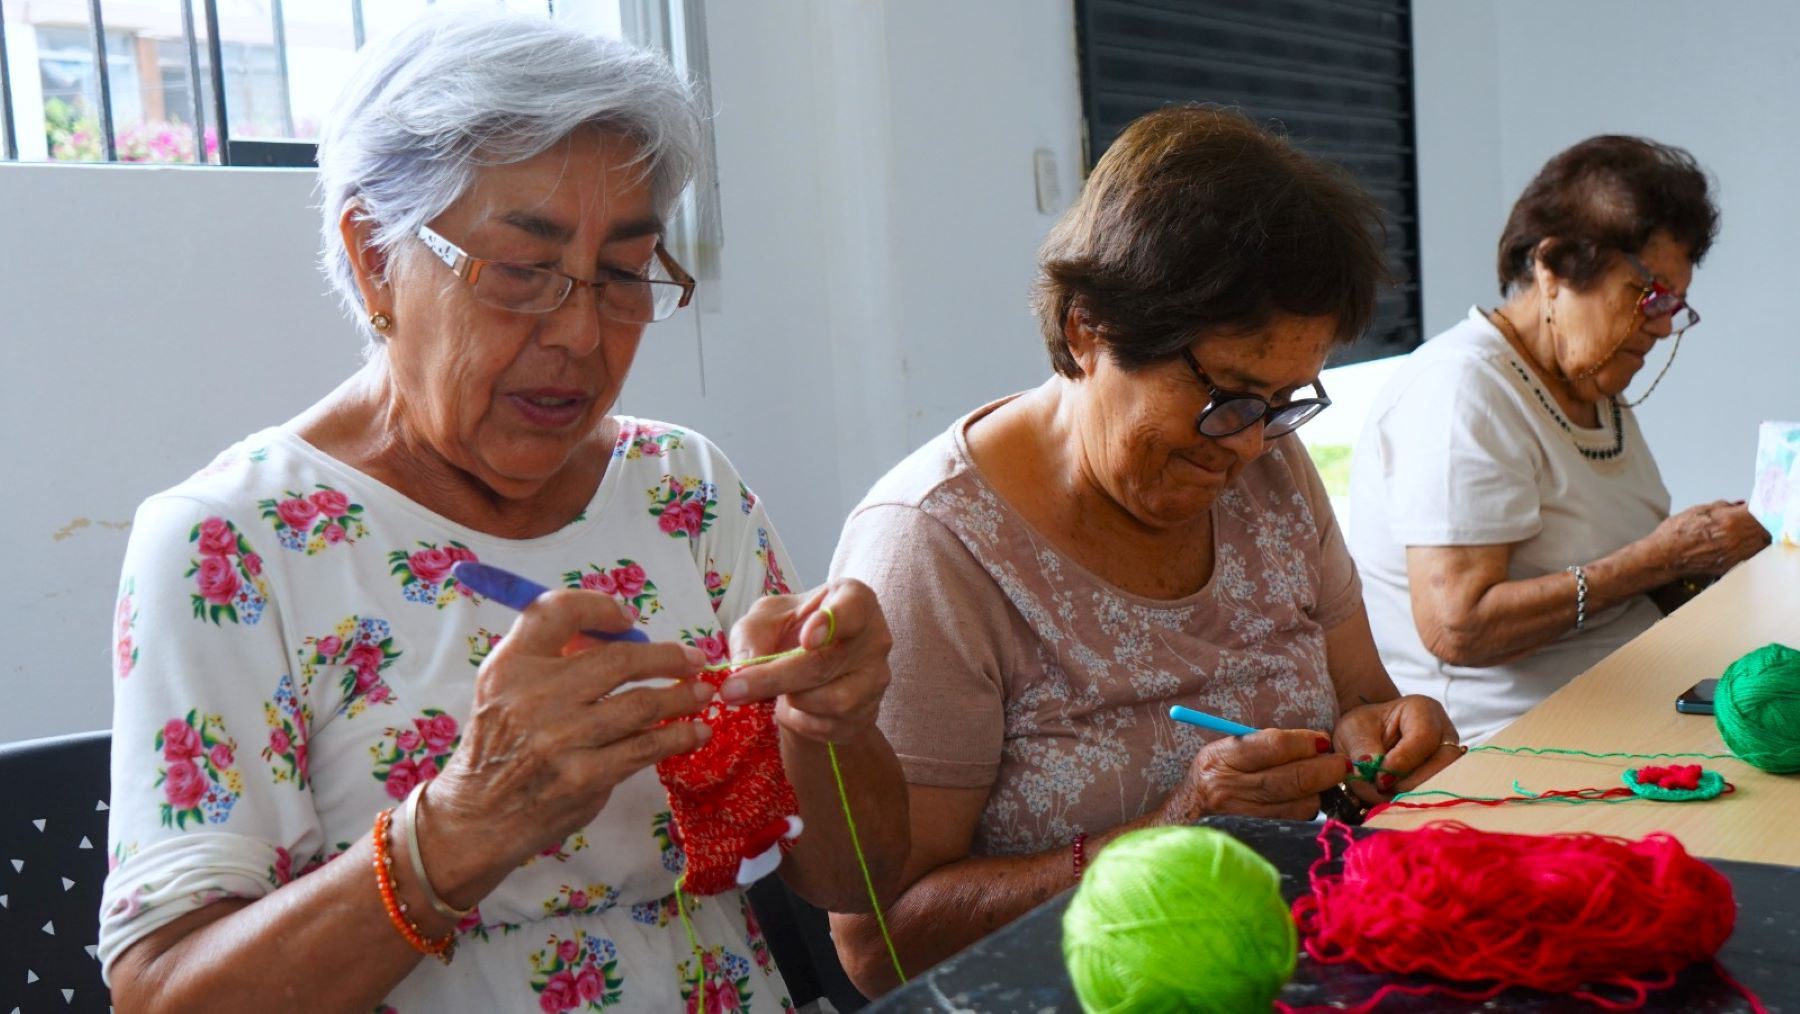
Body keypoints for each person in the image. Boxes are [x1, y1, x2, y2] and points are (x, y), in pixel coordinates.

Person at [98, 13, 907, 1011]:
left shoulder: (683, 490)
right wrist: (460, 826)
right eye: (522, 270)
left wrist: (832, 723)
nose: (577, 331)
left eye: (621, 274)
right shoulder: (232, 545)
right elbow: (164, 995)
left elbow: (847, 882)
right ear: (373, 256)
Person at [825, 106, 1461, 994]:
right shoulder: (935, 550)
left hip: (1299, 960)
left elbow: (1359, 696)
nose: (1247, 445)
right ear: (1089, 327)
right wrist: (1177, 825)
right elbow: (880, 946)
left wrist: (1382, 743)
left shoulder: (1271, 467)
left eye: (1286, 400)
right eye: (1230, 393)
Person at [1348, 135, 1771, 745]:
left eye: (1674, 303)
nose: (1660, 325)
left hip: (1632, 702)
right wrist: (1662, 557)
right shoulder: (1462, 389)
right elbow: (1459, 628)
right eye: (1647, 293)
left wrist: (1708, 559)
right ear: (1552, 266)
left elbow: (1617, 567)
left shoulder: (1591, 384)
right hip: (1515, 744)